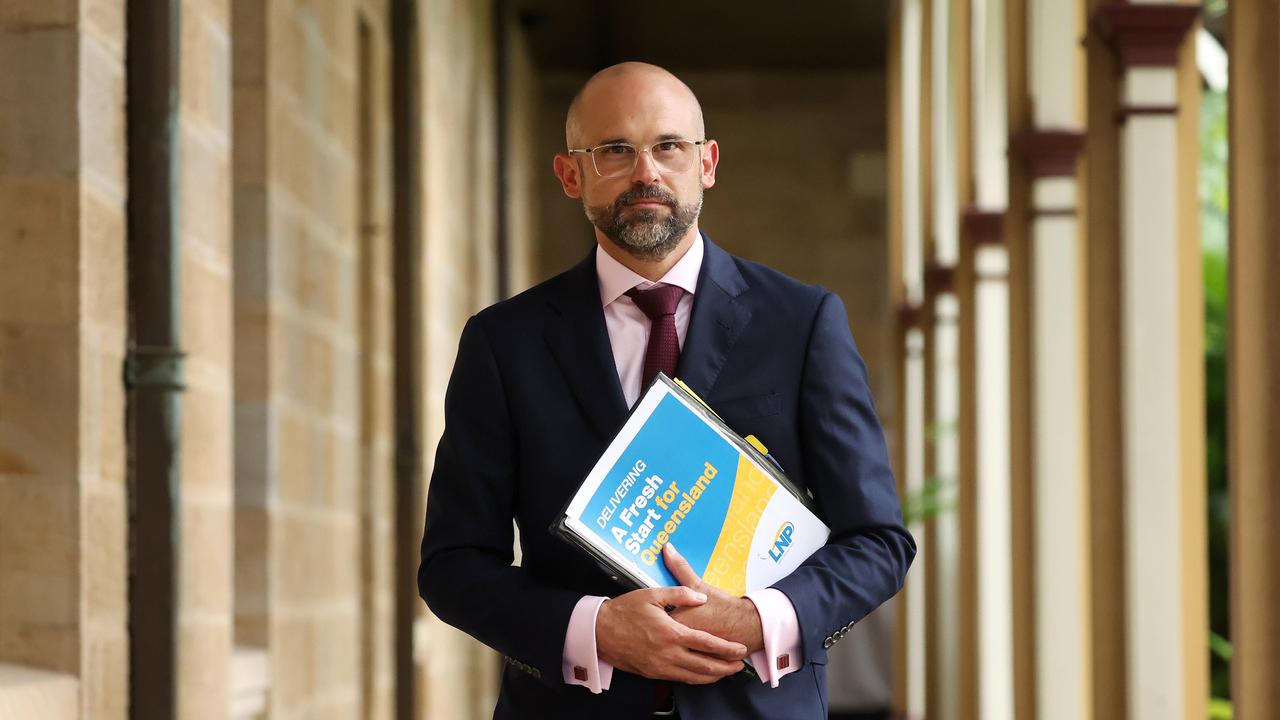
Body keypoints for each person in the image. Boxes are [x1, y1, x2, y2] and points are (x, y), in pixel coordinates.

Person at [418, 62, 915, 719]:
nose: (646, 173)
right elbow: (452, 566)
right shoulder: (504, 343)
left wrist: (756, 619)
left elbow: (879, 543)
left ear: (706, 163)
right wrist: (594, 630)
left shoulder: (802, 324)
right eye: (615, 151)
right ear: (571, 175)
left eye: (668, 147)